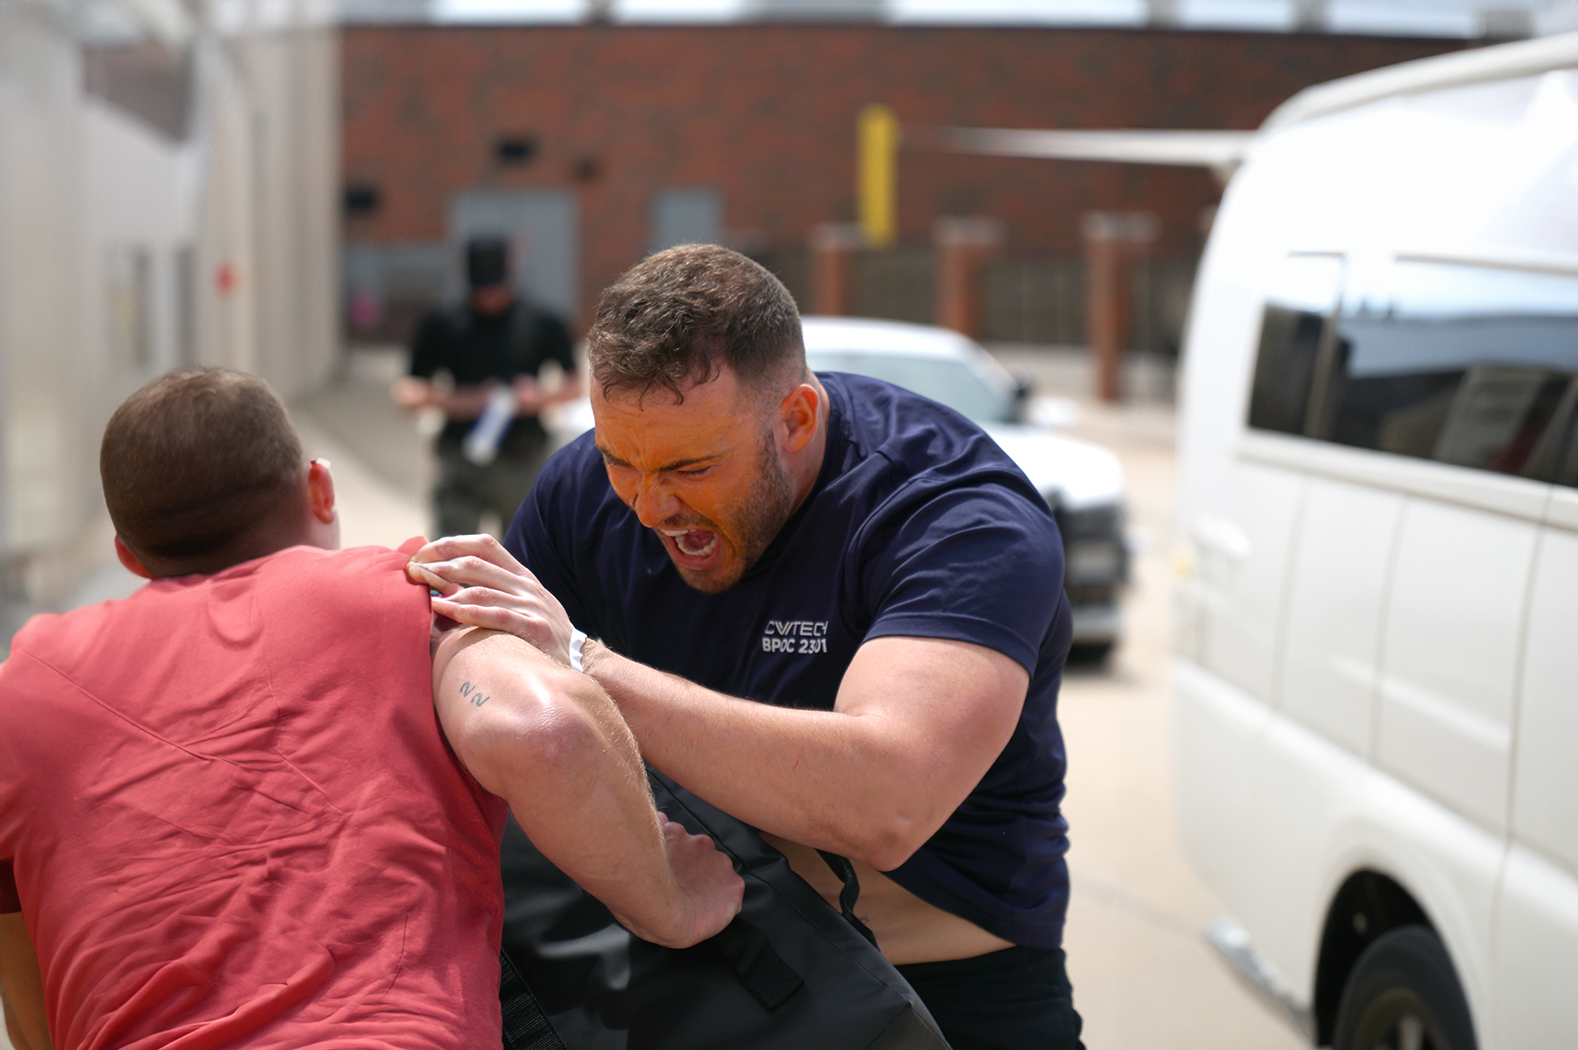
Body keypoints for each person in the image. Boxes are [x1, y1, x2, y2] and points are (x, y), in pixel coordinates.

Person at [414, 244, 1084, 1049]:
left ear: (796, 419)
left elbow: (887, 801)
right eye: (620, 459)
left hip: (950, 988)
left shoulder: (955, 517)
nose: (651, 505)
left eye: (692, 467)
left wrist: (583, 662)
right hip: (702, 956)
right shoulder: (584, 492)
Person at [0, 369, 741, 1050]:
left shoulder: (26, 685)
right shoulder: (410, 593)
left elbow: (27, 978)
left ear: (130, 556)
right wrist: (671, 899)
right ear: (321, 490)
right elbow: (540, 732)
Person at [392, 236, 583, 537]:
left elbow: (576, 386)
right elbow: (407, 392)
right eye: (482, 289)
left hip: (523, 456)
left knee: (524, 555)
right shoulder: (443, 324)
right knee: (454, 556)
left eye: (496, 287)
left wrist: (539, 397)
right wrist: (461, 401)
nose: (490, 297)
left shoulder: (542, 322)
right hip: (461, 458)